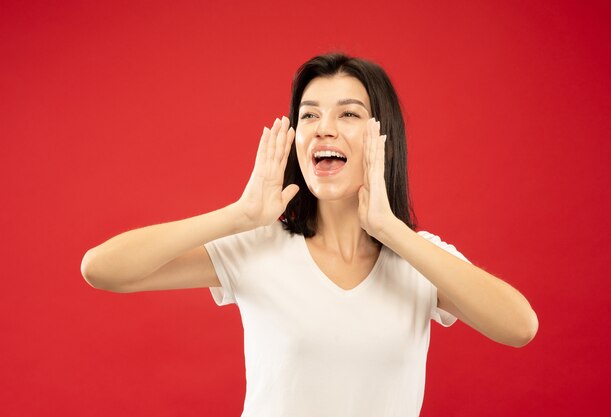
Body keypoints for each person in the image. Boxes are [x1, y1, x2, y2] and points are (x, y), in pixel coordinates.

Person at [81, 52, 538, 416]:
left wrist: (391, 232)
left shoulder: (418, 260)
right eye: (310, 115)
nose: (324, 129)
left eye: (349, 114)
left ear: (385, 139)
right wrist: (239, 217)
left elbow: (519, 327)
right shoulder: (257, 248)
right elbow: (102, 270)